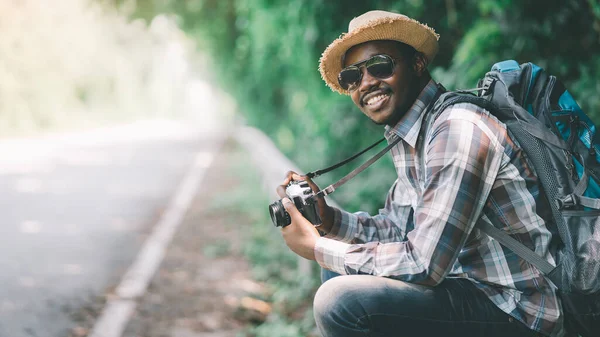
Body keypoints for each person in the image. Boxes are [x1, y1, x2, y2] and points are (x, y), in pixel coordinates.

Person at [276, 10, 565, 337]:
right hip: (469, 288)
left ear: (416, 64)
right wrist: (329, 222)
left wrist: (316, 248)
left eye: (380, 66)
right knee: (338, 275)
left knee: (339, 300)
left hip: (518, 308)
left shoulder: (456, 129)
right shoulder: (415, 136)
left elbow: (425, 264)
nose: (367, 82)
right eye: (352, 77)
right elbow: (397, 231)